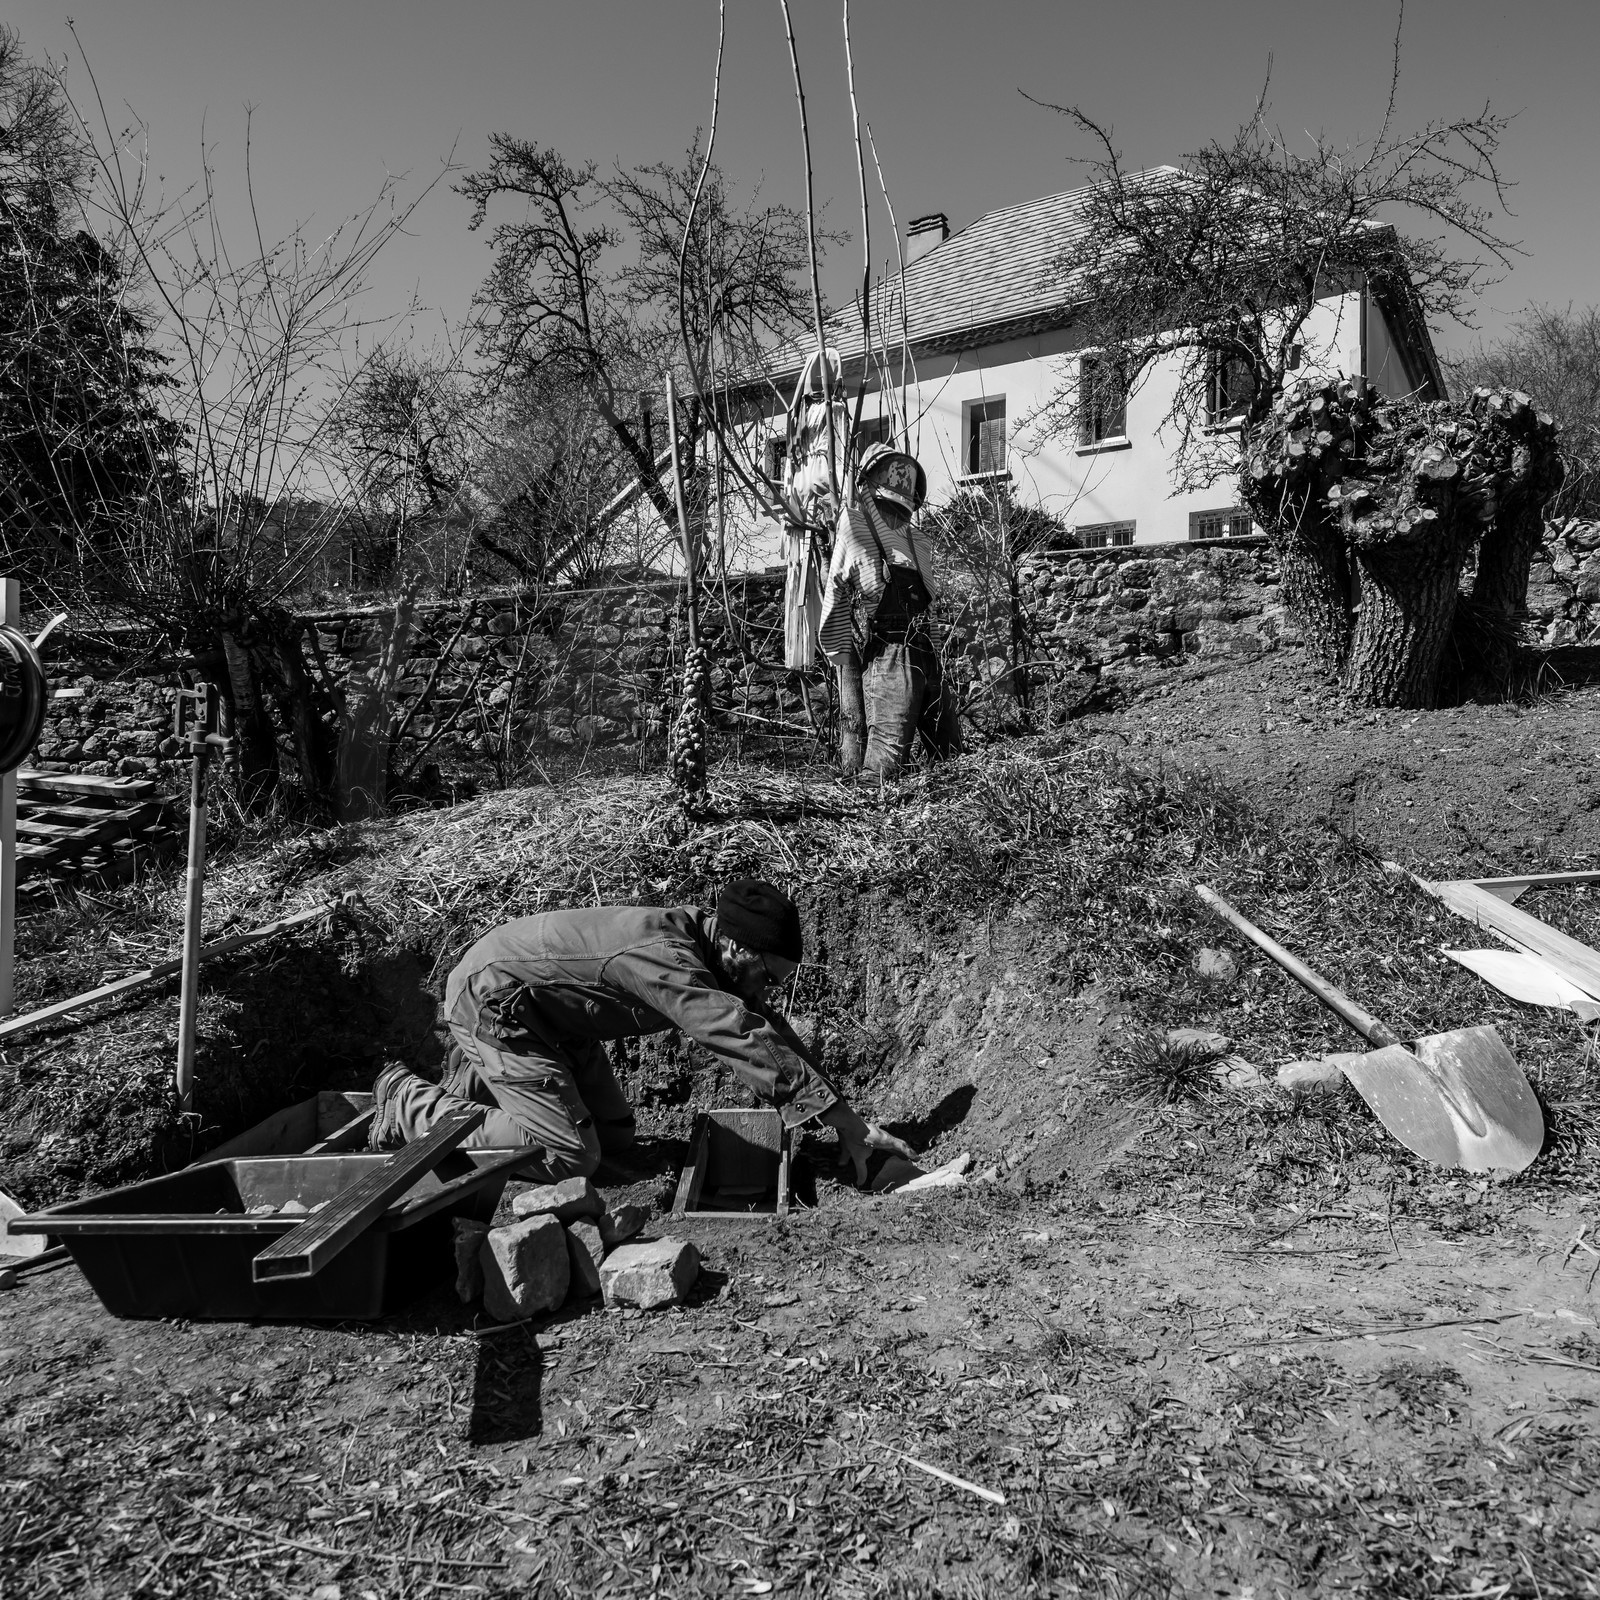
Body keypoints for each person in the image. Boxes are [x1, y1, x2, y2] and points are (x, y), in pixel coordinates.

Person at [370, 878, 913, 1185]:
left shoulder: (708, 947)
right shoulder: (666, 958)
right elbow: (733, 1030)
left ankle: (481, 1105)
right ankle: (408, 1102)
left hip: (555, 1017)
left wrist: (843, 1117)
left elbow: (759, 1023)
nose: (766, 991)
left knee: (614, 1141)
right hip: (498, 1004)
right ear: (737, 949)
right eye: (767, 977)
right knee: (571, 1157)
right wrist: (843, 1121)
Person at [818, 442, 950, 776]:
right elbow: (836, 586)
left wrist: (936, 658)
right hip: (889, 657)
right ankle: (868, 821)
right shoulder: (854, 525)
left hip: (927, 654)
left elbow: (930, 609)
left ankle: (934, 823)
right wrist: (841, 652)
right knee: (883, 766)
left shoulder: (918, 542)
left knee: (950, 756)